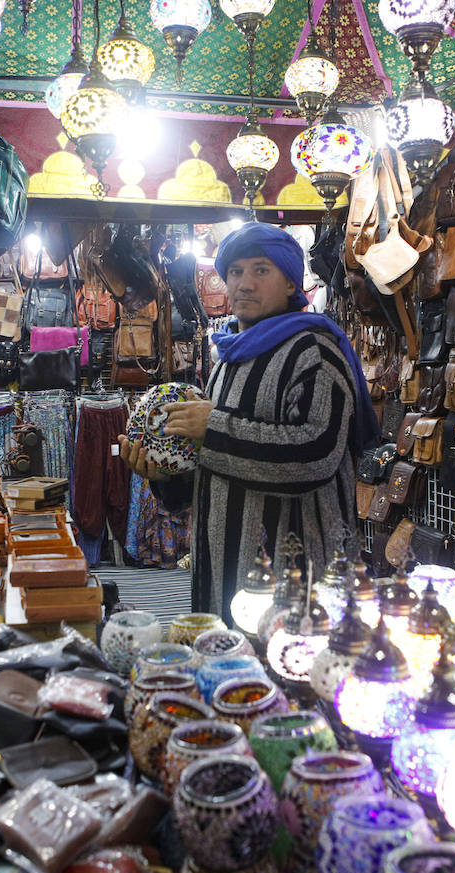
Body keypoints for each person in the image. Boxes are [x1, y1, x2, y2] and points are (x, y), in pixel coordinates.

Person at [118, 222, 378, 621]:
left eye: (261, 270)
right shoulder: (229, 356)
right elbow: (213, 461)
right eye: (235, 272)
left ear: (291, 283)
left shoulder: (314, 351)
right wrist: (165, 475)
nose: (244, 283)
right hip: (221, 560)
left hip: (294, 564)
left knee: (290, 669)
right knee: (229, 672)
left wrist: (215, 427)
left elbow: (316, 454)